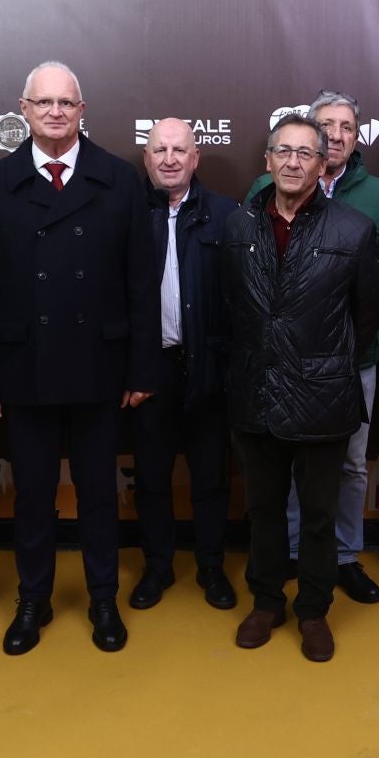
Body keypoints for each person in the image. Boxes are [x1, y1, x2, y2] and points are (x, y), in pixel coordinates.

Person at [0, 61, 159, 654]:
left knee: (99, 493)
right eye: (42, 102)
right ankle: (34, 599)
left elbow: (140, 285)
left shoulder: (120, 180)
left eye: (65, 103)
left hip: (100, 366)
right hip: (26, 367)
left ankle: (103, 598)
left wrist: (142, 367)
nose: (54, 112)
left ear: (82, 110)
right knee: (33, 496)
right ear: (23, 109)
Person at [223, 114, 379, 661]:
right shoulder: (238, 226)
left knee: (318, 514)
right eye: (282, 152)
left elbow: (365, 317)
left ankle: (313, 610)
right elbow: (229, 311)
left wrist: (320, 363)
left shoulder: (354, 229)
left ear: (324, 163)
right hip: (256, 393)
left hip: (324, 397)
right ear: (266, 160)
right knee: (264, 511)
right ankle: (267, 601)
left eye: (305, 154)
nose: (293, 162)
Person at [247, 90, 379, 604]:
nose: (334, 135)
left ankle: (343, 560)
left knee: (345, 470)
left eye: (345, 127)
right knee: (284, 479)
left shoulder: (373, 199)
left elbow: (378, 287)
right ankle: (291, 560)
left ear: (353, 140)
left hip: (345, 366)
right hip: (275, 368)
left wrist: (339, 359)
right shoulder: (255, 203)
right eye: (325, 126)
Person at [128, 118, 238, 612]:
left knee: (211, 477)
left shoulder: (226, 215)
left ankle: (212, 567)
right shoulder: (126, 213)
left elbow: (242, 300)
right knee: (151, 476)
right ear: (146, 159)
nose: (169, 158)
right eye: (159, 150)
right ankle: (157, 567)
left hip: (209, 367)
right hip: (149, 370)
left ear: (196, 158)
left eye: (179, 150)